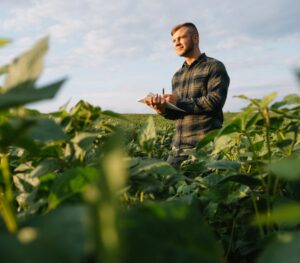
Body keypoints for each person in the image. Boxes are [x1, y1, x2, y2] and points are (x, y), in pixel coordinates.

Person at [144, 22, 230, 168]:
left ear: (195, 38)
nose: (176, 43)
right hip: (177, 148)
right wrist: (162, 109)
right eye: (174, 40)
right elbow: (177, 114)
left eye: (181, 38)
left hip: (204, 149)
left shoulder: (214, 66)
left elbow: (215, 101)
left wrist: (178, 101)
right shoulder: (177, 76)